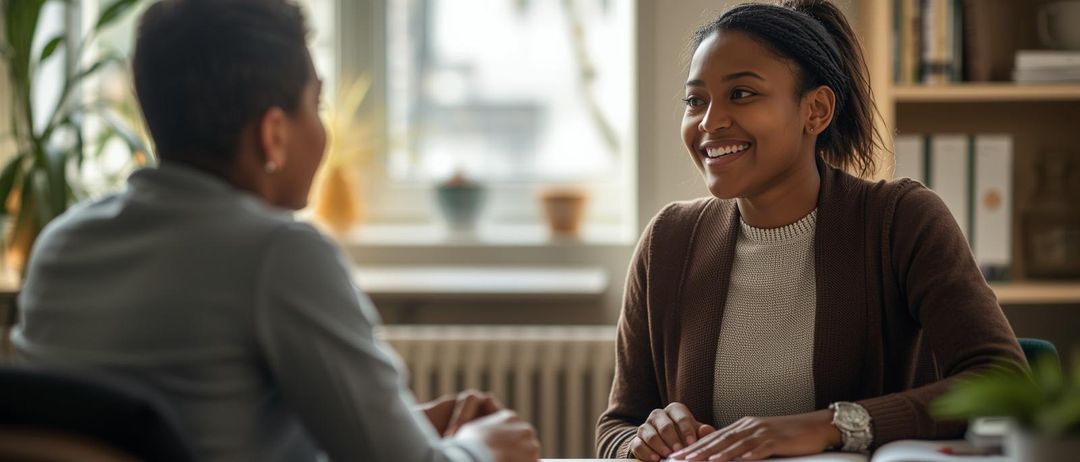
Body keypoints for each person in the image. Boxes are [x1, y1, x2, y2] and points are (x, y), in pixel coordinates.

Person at [11, 1, 539, 461]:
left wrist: (404, 429)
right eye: (317, 105)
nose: (324, 130)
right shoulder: (278, 254)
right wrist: (486, 448)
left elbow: (205, 430)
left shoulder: (61, 245)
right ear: (273, 135)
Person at [596, 1, 1026, 461]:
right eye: (695, 100)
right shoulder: (668, 240)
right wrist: (641, 442)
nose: (709, 121)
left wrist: (831, 426)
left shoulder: (901, 220)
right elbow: (616, 427)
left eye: (741, 94)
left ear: (816, 110)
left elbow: (1001, 379)